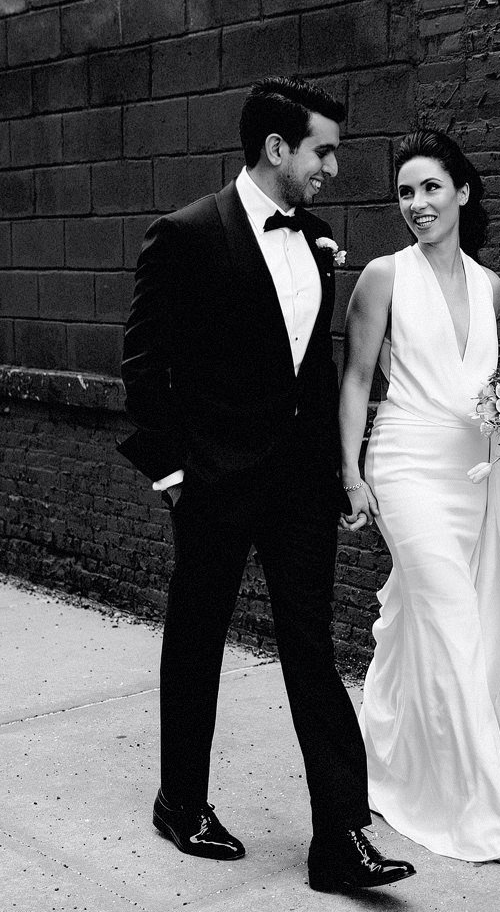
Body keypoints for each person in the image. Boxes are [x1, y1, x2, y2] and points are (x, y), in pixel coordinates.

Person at [117, 76, 415, 894]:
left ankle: (340, 836)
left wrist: (340, 471)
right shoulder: (184, 234)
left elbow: (312, 369)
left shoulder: (317, 238)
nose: (332, 168)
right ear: (277, 148)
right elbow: (143, 364)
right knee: (198, 636)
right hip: (213, 482)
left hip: (299, 487)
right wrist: (174, 474)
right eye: (324, 151)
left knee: (311, 646)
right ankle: (181, 801)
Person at [338, 129, 500, 868]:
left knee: (416, 621)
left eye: (431, 187)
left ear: (462, 192)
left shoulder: (490, 285)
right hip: (405, 465)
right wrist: (351, 474)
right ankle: (485, 820)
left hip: (475, 476)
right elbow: (356, 380)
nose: (417, 203)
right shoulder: (382, 277)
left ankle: (377, 761)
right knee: (454, 621)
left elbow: (484, 392)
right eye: (405, 191)